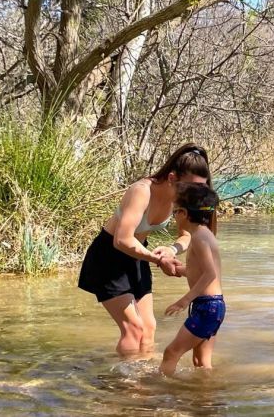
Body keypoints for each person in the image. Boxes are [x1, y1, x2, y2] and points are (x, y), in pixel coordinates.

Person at [77, 144, 214, 356]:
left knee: (149, 328)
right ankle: (126, 383)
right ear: (171, 178)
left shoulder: (182, 199)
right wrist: (158, 260)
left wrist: (171, 250)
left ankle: (144, 381)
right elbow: (121, 240)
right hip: (108, 258)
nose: (197, 195)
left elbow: (187, 234)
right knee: (133, 329)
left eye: (201, 188)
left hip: (138, 257)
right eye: (192, 188)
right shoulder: (141, 191)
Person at [159, 183, 225, 376]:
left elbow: (210, 274)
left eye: (175, 212)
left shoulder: (199, 238)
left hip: (207, 307)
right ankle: (205, 401)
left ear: (185, 213)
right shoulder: (204, 235)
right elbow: (203, 272)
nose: (174, 217)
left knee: (171, 352)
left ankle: (158, 394)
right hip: (213, 306)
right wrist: (181, 270)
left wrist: (183, 301)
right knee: (201, 362)